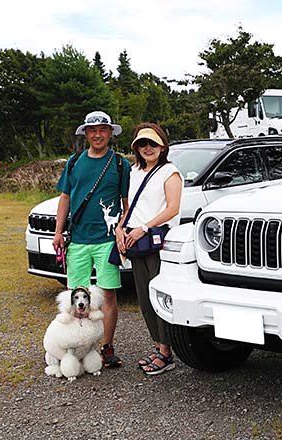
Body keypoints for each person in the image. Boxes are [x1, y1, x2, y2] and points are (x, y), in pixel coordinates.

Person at [52, 110, 131, 369]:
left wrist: (121, 227)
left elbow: (126, 203)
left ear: (110, 133)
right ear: (85, 133)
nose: (98, 135)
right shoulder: (74, 162)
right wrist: (58, 232)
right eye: (93, 130)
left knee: (108, 294)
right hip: (78, 240)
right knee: (76, 295)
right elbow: (65, 197)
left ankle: (106, 347)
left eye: (103, 130)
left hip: (107, 241)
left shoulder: (120, 164)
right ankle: (78, 347)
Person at [117, 123, 182, 375]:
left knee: (159, 296)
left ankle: (166, 352)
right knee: (144, 298)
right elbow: (131, 207)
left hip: (155, 241)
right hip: (135, 240)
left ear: (162, 146)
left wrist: (144, 227)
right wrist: (120, 228)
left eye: (153, 143)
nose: (147, 148)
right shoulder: (134, 171)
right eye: (142, 144)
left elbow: (173, 208)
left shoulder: (170, 172)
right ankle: (158, 346)